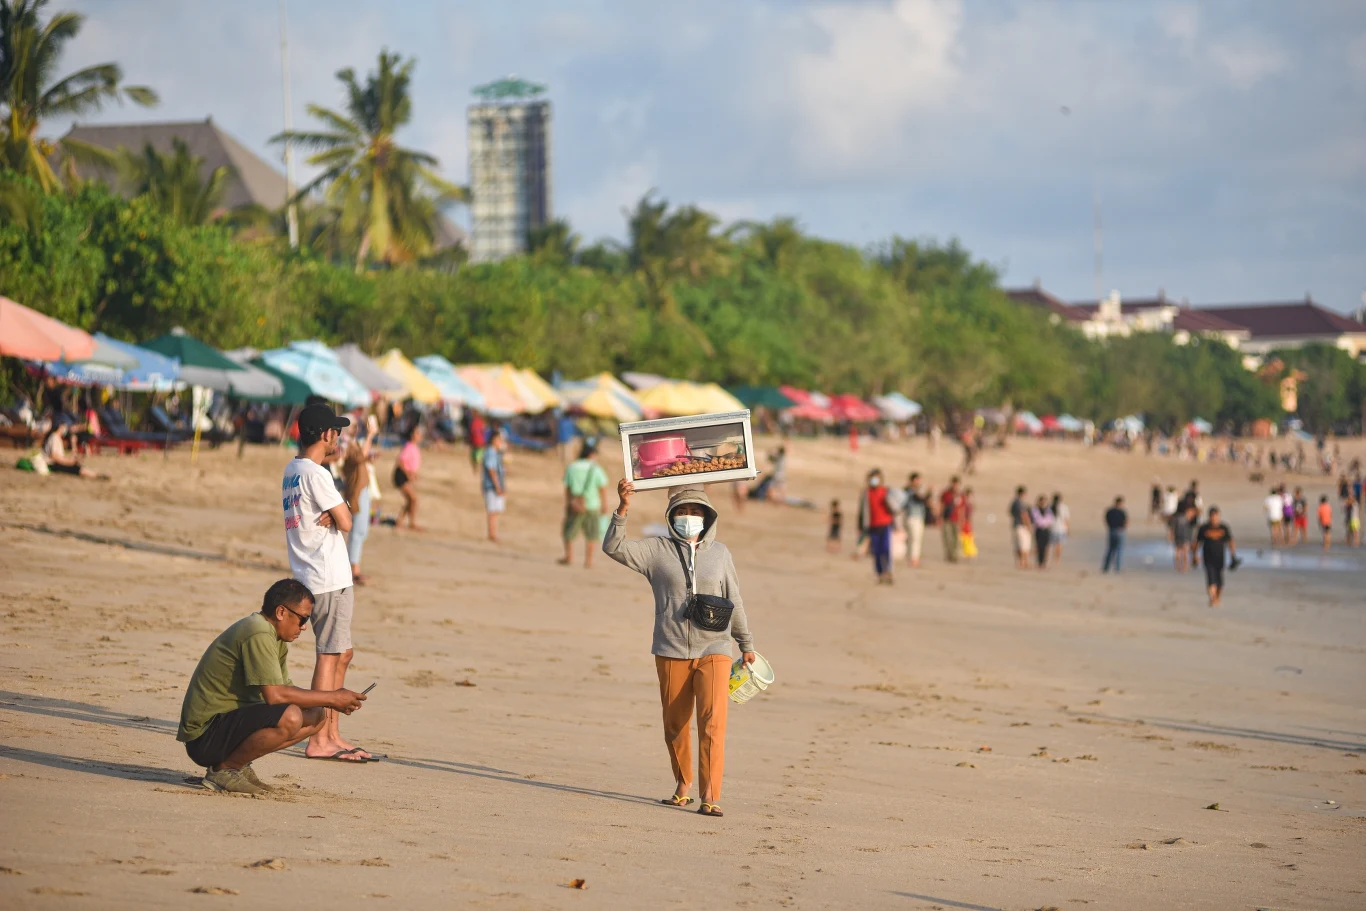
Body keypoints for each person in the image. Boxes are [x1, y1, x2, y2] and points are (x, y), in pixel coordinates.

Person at [604, 481, 757, 818]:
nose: (689, 517)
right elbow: (614, 547)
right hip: (671, 647)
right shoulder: (656, 551)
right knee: (675, 724)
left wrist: (745, 644)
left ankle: (710, 796)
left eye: (696, 512)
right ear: (672, 516)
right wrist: (622, 509)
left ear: (708, 517)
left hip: (715, 646)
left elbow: (735, 600)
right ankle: (683, 783)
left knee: (713, 722)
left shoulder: (720, 554)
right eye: (683, 511)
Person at [177, 579, 367, 793]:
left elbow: (287, 691)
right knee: (292, 716)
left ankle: (237, 765)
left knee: (316, 716)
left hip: (227, 726)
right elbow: (275, 696)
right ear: (280, 612)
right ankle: (225, 769)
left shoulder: (274, 637)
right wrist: (333, 697)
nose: (304, 627)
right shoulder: (258, 631)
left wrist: (331, 702)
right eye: (303, 618)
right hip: (204, 737)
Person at [282, 403, 369, 762]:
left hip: (314, 574)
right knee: (329, 656)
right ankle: (319, 739)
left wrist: (336, 514)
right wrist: (339, 512)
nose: (339, 437)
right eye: (336, 431)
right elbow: (347, 520)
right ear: (325, 434)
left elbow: (338, 517)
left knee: (341, 654)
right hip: (326, 576)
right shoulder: (316, 474)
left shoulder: (293, 469)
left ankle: (331, 733)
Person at [560, 438, 609, 568]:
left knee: (569, 532)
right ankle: (588, 561)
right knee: (591, 534)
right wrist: (605, 505)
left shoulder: (572, 467)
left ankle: (569, 556)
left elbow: (568, 487)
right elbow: (602, 488)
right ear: (591, 454)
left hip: (575, 505)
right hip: (592, 505)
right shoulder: (596, 469)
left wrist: (568, 503)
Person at [341, 416, 378, 584]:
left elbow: (361, 458)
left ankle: (353, 566)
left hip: (361, 489)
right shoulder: (345, 443)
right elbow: (358, 457)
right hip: (355, 491)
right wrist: (371, 435)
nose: (356, 427)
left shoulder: (352, 442)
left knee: (362, 530)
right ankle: (353, 568)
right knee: (358, 530)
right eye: (353, 425)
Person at [1193, 507, 1236, 607]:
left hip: (1220, 558)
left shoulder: (1224, 528)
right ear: (1209, 517)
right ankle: (1212, 598)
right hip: (1207, 558)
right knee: (1211, 578)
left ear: (1219, 516)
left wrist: (1233, 555)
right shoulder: (1204, 528)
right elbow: (1197, 542)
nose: (1214, 518)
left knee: (1220, 580)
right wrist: (1195, 555)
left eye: (1216, 516)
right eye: (1212, 516)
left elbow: (1230, 541)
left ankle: (1217, 597)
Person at [860, 468, 896, 584]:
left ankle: (888, 571)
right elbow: (863, 511)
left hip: (886, 524)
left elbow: (894, 508)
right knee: (876, 552)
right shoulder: (866, 493)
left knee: (886, 549)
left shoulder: (886, 491)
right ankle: (879, 573)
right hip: (873, 525)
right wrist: (861, 527)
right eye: (872, 478)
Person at [40, 420, 106, 479]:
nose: (65, 429)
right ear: (60, 427)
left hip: (54, 463)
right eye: (64, 426)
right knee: (74, 468)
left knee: (75, 465)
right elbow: (55, 457)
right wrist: (69, 462)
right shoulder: (54, 438)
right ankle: (94, 475)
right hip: (52, 465)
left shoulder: (56, 437)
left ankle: (93, 475)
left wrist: (70, 460)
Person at [393, 423, 424, 532]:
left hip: (405, 475)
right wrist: (408, 474)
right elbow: (400, 461)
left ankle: (400, 520)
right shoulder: (409, 446)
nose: (420, 435)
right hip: (401, 475)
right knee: (413, 499)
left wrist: (414, 474)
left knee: (411, 500)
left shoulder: (414, 447)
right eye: (417, 433)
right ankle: (412, 522)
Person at [482, 426, 508, 542]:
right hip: (491, 486)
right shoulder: (491, 453)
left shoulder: (495, 453)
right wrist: (497, 486)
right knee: (492, 511)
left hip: (495, 485)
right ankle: (492, 534)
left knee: (496, 510)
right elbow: (491, 470)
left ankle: (493, 533)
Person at [903, 473, 928, 568]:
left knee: (913, 539)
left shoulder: (908, 490)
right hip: (913, 517)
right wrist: (928, 493)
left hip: (914, 517)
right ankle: (913, 559)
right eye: (918, 480)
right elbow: (920, 499)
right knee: (915, 539)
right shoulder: (911, 491)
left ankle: (912, 558)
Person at [1102, 496, 1127, 573]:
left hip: (1111, 531)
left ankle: (1106, 567)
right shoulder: (1122, 512)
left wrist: (1110, 527)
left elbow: (1106, 520)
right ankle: (1117, 568)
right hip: (1119, 531)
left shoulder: (1109, 511)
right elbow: (1126, 522)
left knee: (1110, 549)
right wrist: (1122, 529)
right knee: (1119, 550)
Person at [1009, 486, 1032, 568]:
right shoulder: (1020, 503)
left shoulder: (1014, 502)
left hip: (1015, 525)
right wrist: (1028, 525)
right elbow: (1024, 515)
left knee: (1018, 545)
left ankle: (1020, 562)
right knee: (1024, 545)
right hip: (1021, 526)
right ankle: (1024, 562)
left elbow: (1010, 512)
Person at [940, 477, 962, 564]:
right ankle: (949, 554)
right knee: (947, 537)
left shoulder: (960, 495)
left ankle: (955, 555)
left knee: (956, 538)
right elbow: (941, 505)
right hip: (947, 518)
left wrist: (962, 519)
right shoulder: (946, 494)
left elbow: (962, 508)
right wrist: (940, 517)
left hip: (956, 519)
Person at [1029, 496, 1054, 569]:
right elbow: (1036, 519)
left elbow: (1051, 520)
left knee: (1046, 546)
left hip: (1046, 530)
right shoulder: (1035, 510)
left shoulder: (1048, 510)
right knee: (1039, 546)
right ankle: (1039, 562)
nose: (1043, 503)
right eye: (1041, 501)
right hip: (1039, 529)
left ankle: (1044, 562)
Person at [1171, 503, 1196, 572]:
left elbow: (1173, 527)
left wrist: (1172, 535)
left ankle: (1177, 565)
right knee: (1185, 551)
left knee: (1178, 550)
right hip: (1185, 536)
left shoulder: (1177, 517)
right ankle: (1185, 566)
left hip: (1178, 536)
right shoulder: (1187, 517)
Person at [1050, 492, 1070, 562]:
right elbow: (1066, 519)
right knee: (1059, 545)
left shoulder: (1050, 506)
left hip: (1052, 528)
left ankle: (1054, 557)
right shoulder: (1064, 507)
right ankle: (1057, 558)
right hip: (1061, 529)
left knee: (1054, 544)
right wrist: (1068, 529)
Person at [959, 488, 978, 559]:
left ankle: (968, 552)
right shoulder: (964, 502)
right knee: (965, 538)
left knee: (969, 537)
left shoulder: (969, 503)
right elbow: (962, 512)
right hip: (965, 521)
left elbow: (973, 509)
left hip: (968, 522)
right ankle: (966, 552)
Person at [467, 410, 488, 475]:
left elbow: (484, 432)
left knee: (477, 457)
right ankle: (476, 470)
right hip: (476, 442)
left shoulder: (479, 422)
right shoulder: (476, 422)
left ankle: (477, 470)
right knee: (475, 457)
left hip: (479, 442)